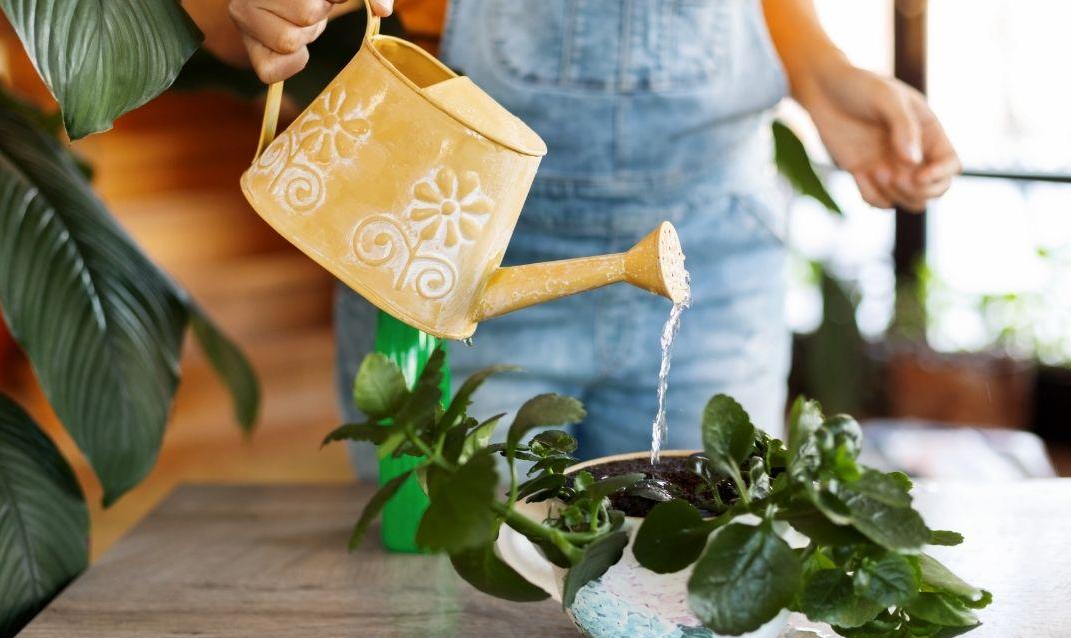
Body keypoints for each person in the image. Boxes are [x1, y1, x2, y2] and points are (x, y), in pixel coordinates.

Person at [187, 0, 960, 479]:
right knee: (445, 614)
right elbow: (218, 27)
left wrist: (821, 72)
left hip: (713, 263)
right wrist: (252, 12)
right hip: (446, 243)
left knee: (694, 599)